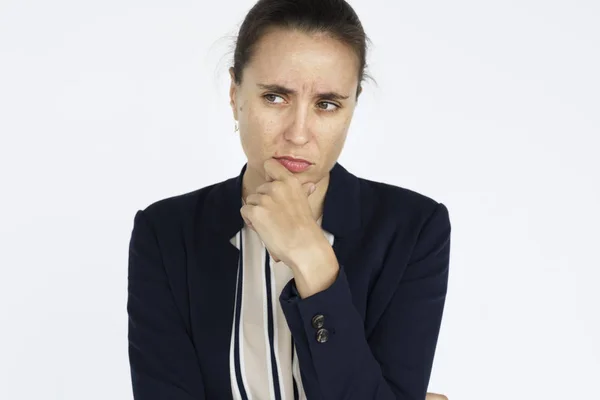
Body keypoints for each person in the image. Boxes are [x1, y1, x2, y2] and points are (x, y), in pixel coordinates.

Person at [126, 0, 451, 399]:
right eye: (275, 98)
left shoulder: (413, 230)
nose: (298, 134)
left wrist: (313, 262)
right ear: (235, 93)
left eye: (327, 104)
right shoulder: (166, 233)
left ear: (353, 107)